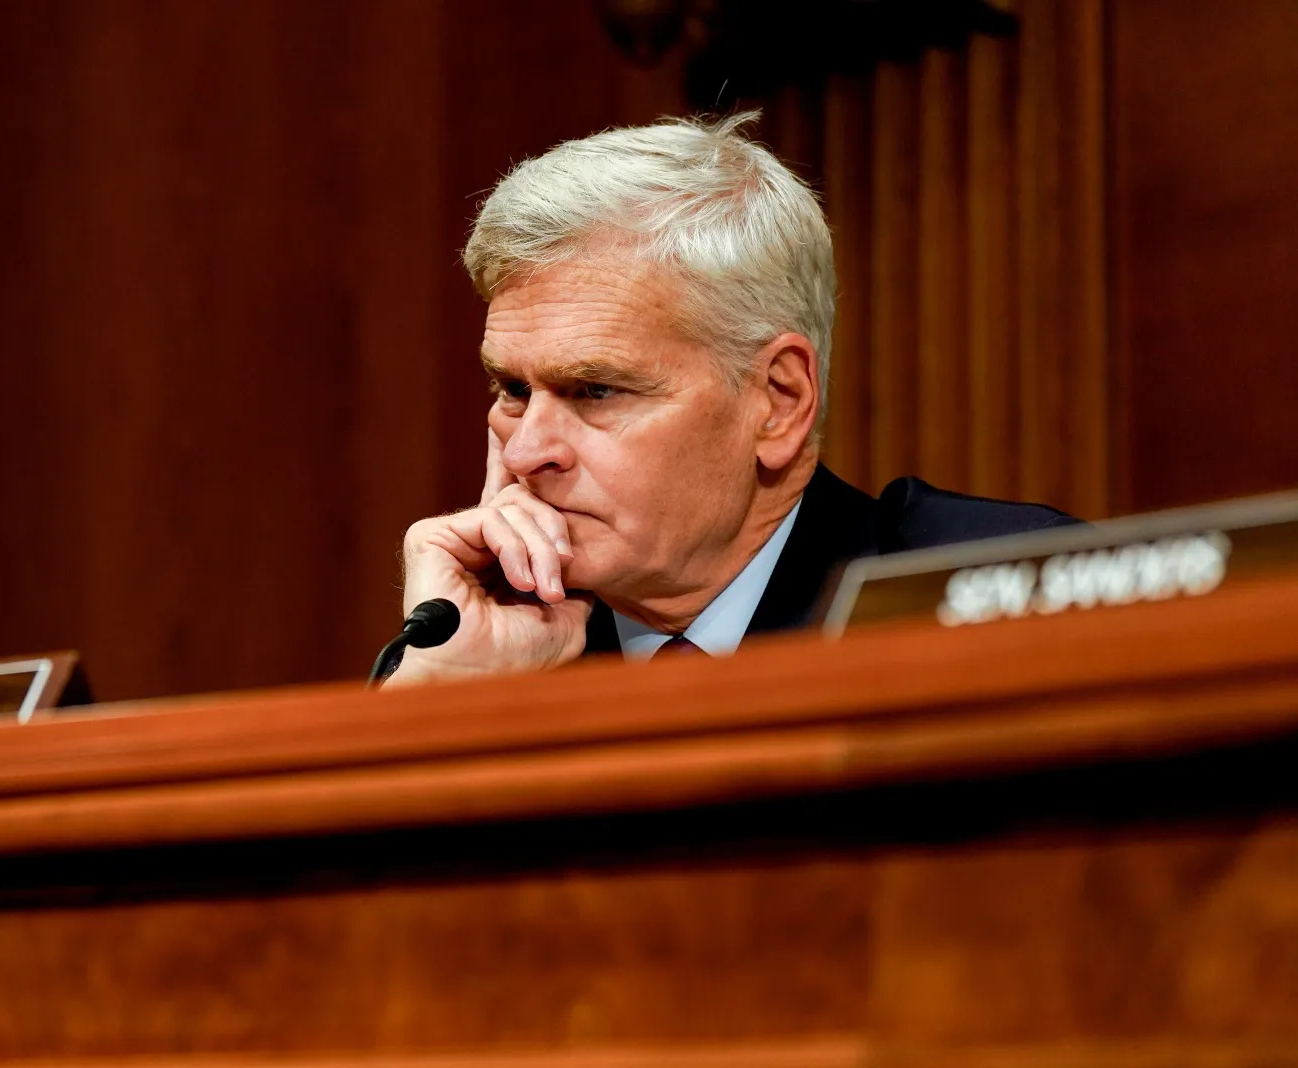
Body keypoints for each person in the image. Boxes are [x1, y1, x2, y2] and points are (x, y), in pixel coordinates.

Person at [382, 113, 1076, 687]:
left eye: (595, 390)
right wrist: (438, 695)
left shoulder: (1002, 596)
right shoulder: (490, 641)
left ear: (778, 401)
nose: (528, 450)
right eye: (512, 389)